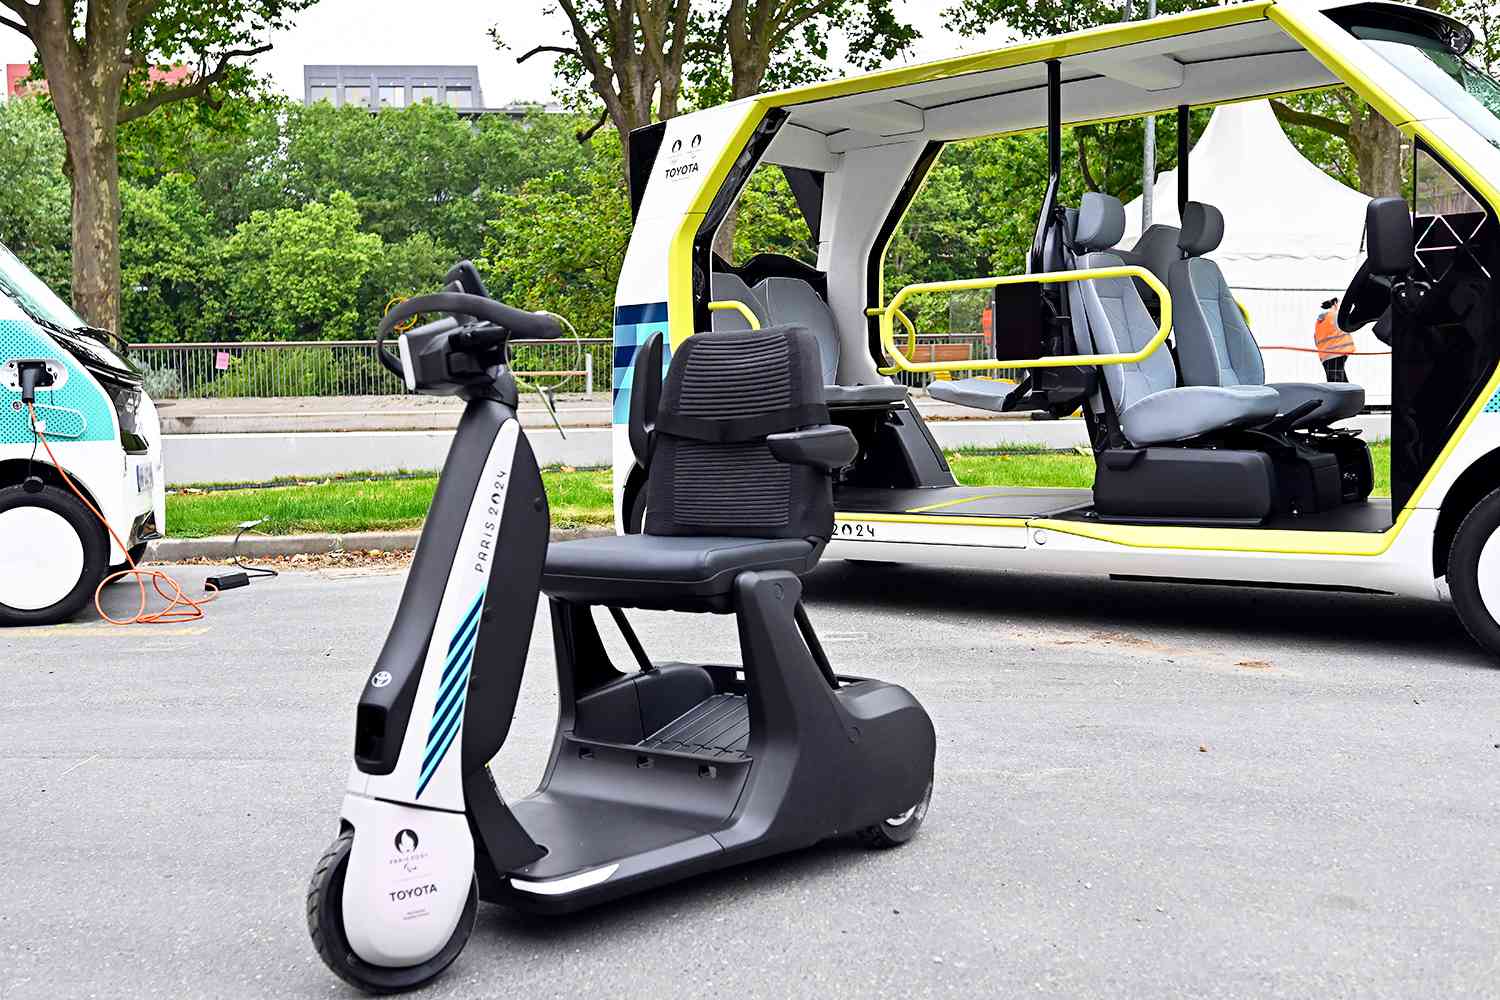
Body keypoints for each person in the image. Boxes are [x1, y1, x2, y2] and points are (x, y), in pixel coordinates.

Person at [1314, 296, 1353, 383]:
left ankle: (1347, 395)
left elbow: (1316, 339)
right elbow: (1349, 326)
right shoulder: (1335, 316)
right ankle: (1348, 396)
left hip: (1325, 356)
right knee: (1339, 384)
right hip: (1337, 352)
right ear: (1335, 304)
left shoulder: (1319, 321)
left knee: (1335, 382)